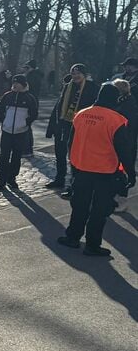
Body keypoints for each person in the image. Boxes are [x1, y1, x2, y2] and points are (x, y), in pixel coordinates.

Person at [57, 83, 136, 256]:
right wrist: (130, 172)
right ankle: (92, 245)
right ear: (114, 98)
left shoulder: (81, 114)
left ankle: (72, 237)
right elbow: (123, 149)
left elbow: (71, 142)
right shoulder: (116, 120)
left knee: (79, 205)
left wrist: (73, 163)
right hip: (105, 171)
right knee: (99, 210)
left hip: (82, 168)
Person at [45, 64, 99, 191]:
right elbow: (58, 106)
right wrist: (52, 127)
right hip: (63, 124)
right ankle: (59, 179)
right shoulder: (67, 87)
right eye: (73, 74)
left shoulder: (92, 88)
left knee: (75, 155)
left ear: (84, 74)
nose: (75, 76)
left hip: (80, 126)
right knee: (60, 153)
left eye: (78, 73)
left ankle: (74, 183)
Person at [0, 74, 38, 191]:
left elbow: (34, 114)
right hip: (7, 131)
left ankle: (12, 178)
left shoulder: (29, 98)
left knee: (16, 156)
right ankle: (1, 180)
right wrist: (4, 122)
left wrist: (25, 123)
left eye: (17, 83)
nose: (15, 85)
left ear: (23, 84)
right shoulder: (7, 96)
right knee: (4, 156)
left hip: (21, 132)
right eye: (13, 83)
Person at [112, 78, 138, 185]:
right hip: (124, 133)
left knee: (126, 156)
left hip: (126, 134)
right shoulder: (124, 100)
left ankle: (126, 177)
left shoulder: (128, 102)